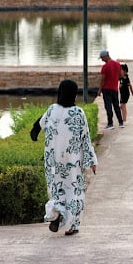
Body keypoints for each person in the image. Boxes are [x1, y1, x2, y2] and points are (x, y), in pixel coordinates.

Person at [33, 80, 97, 236]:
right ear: (75, 94)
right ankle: (72, 226)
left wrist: (34, 134)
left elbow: (38, 125)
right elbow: (85, 139)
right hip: (72, 163)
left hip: (53, 162)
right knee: (74, 191)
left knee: (56, 189)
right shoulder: (78, 113)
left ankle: (56, 213)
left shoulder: (52, 110)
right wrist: (92, 161)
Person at [97, 50, 124, 129]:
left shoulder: (105, 66)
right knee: (116, 106)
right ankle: (121, 122)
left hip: (106, 89)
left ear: (106, 56)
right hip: (115, 88)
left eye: (102, 58)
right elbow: (121, 75)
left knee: (108, 106)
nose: (102, 59)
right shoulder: (117, 64)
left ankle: (110, 124)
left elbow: (102, 79)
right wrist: (115, 78)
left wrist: (99, 90)